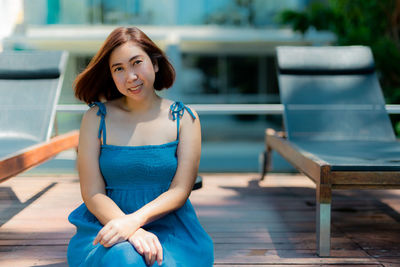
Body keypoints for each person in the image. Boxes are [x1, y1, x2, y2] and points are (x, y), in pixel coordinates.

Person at [67, 26, 214, 267]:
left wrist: (133, 222)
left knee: (160, 262)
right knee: (124, 258)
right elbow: (92, 192)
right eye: (119, 69)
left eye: (137, 63)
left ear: (155, 64)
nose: (131, 77)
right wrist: (130, 230)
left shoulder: (184, 118)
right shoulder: (96, 118)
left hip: (172, 228)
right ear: (111, 75)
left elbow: (180, 190)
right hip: (108, 223)